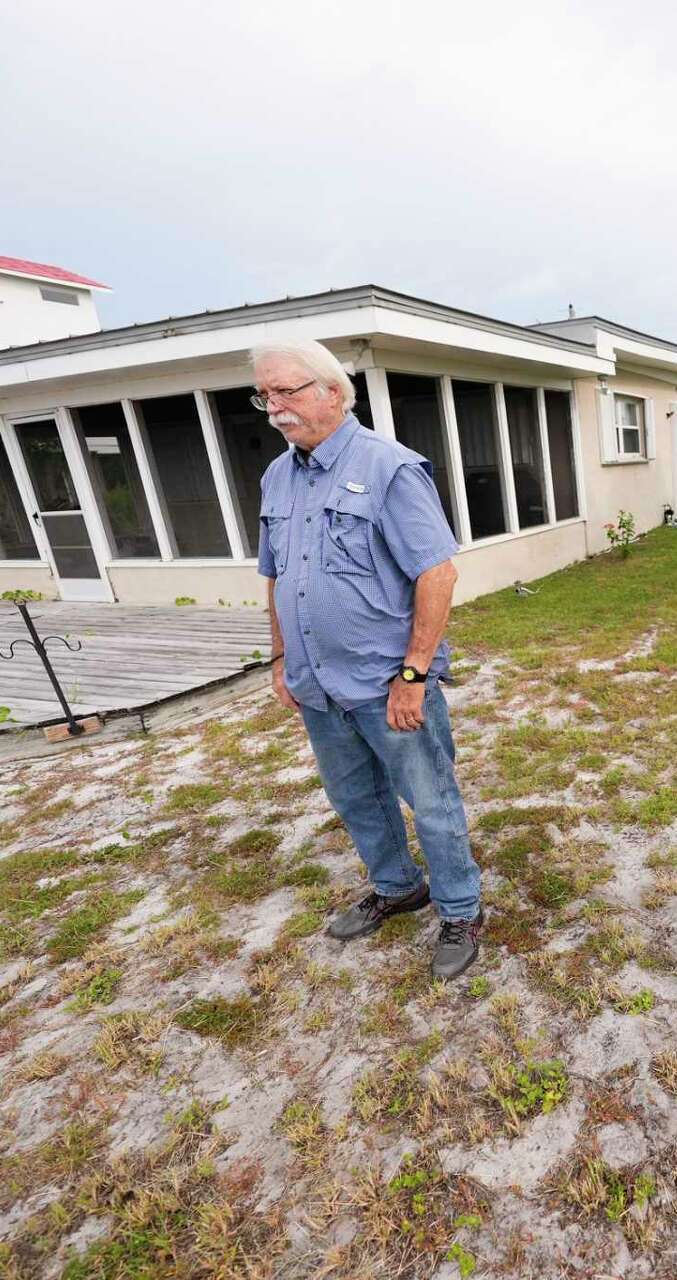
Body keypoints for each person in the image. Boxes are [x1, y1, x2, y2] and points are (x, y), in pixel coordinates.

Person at [252, 339, 485, 981]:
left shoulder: (390, 468)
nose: (274, 407)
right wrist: (278, 658)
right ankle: (397, 886)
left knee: (431, 800)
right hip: (317, 686)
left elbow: (436, 575)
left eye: (287, 391)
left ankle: (461, 908)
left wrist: (413, 675)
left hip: (388, 686)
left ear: (332, 391)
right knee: (354, 796)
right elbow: (275, 576)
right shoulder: (277, 476)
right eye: (264, 395)